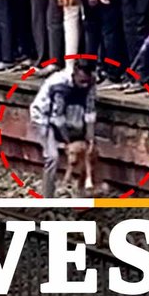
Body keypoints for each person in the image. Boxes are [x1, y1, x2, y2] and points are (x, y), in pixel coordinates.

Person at [29, 59, 97, 198]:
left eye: (87, 81)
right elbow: (57, 117)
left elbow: (90, 111)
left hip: (70, 115)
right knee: (52, 157)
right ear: (75, 74)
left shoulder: (91, 82)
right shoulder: (60, 84)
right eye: (82, 81)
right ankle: (48, 197)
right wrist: (68, 141)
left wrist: (90, 138)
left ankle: (82, 191)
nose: (84, 85)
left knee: (90, 151)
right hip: (44, 117)